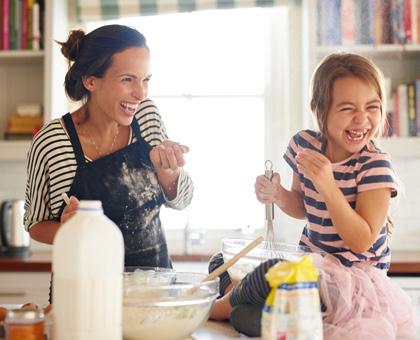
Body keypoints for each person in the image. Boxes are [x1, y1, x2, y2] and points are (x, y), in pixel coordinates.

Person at [208, 53, 417, 339]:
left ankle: (219, 306)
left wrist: (328, 185)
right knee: (222, 261)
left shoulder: (375, 166)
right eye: (347, 108)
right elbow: (304, 206)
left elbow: (361, 240)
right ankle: (241, 303)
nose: (362, 119)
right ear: (318, 109)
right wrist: (278, 195)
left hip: (352, 284)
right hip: (311, 267)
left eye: (372, 107)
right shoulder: (304, 145)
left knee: (272, 270)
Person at [24, 24, 193, 269]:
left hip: (153, 289)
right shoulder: (53, 141)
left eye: (145, 80)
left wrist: (169, 173)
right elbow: (35, 225)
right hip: (83, 291)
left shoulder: (146, 118)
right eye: (128, 80)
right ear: (91, 81)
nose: (140, 93)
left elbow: (182, 201)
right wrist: (67, 229)